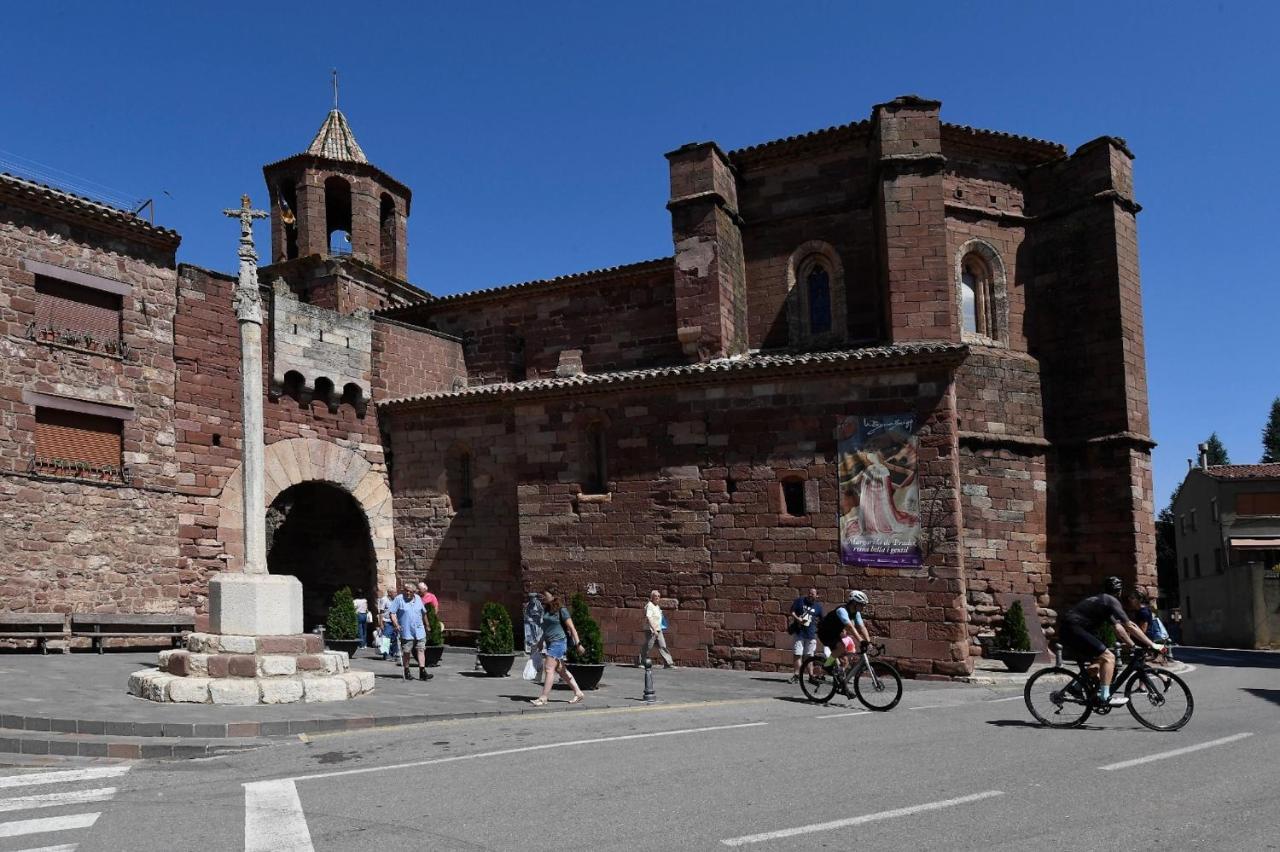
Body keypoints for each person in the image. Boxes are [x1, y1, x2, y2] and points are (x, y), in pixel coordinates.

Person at [1058, 576, 1165, 707]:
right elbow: (1130, 626)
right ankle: (1105, 697)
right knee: (1109, 657)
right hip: (1074, 629)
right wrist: (1153, 644)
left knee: (1101, 661)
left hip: (1071, 629)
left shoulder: (1103, 601)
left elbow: (1119, 627)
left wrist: (1133, 646)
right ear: (1119, 591)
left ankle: (1076, 687)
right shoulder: (1111, 601)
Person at [529, 591, 585, 706]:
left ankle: (543, 698)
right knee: (561, 670)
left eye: (545, 595)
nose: (543, 597)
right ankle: (578, 693)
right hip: (550, 643)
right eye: (542, 595)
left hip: (559, 642)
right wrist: (541, 641)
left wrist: (578, 644)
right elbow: (546, 628)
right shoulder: (546, 610)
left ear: (553, 596)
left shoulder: (561, 610)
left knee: (549, 669)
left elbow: (572, 628)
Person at [816, 590, 872, 672]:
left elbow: (862, 627)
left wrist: (868, 641)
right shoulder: (842, 611)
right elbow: (850, 627)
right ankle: (827, 665)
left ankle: (838, 679)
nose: (863, 607)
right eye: (862, 605)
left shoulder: (856, 613)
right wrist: (861, 640)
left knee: (844, 658)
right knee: (841, 647)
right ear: (854, 603)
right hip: (825, 632)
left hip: (835, 633)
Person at [389, 582, 433, 682]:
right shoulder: (399, 599)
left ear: (414, 592)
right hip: (406, 630)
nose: (407, 593)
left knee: (421, 649)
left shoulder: (418, 598)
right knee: (407, 651)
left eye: (410, 591)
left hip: (419, 630)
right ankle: (407, 671)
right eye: (406, 590)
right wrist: (396, 624)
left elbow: (423, 612)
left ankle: (422, 672)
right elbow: (392, 613)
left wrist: (427, 625)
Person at [787, 588, 824, 684]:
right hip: (799, 633)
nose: (810, 595)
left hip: (811, 634)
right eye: (809, 593)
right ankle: (796, 675)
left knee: (809, 656)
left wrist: (818, 629)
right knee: (797, 654)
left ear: (817, 596)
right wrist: (797, 619)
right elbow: (792, 611)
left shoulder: (818, 607)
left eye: (813, 594)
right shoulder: (800, 601)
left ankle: (811, 676)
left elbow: (822, 620)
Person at [639, 590, 675, 669]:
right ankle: (641, 661)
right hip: (650, 630)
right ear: (652, 597)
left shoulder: (657, 606)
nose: (657, 597)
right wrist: (654, 629)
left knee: (663, 645)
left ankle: (668, 663)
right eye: (656, 596)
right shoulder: (649, 606)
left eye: (659, 596)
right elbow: (649, 618)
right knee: (648, 646)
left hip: (658, 629)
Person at [377, 587, 399, 660]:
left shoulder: (396, 600)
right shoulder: (384, 600)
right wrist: (381, 623)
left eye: (396, 592)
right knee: (386, 638)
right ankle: (386, 654)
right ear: (389, 593)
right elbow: (381, 612)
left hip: (395, 622)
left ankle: (393, 653)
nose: (396, 594)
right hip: (387, 622)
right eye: (394, 592)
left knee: (395, 638)